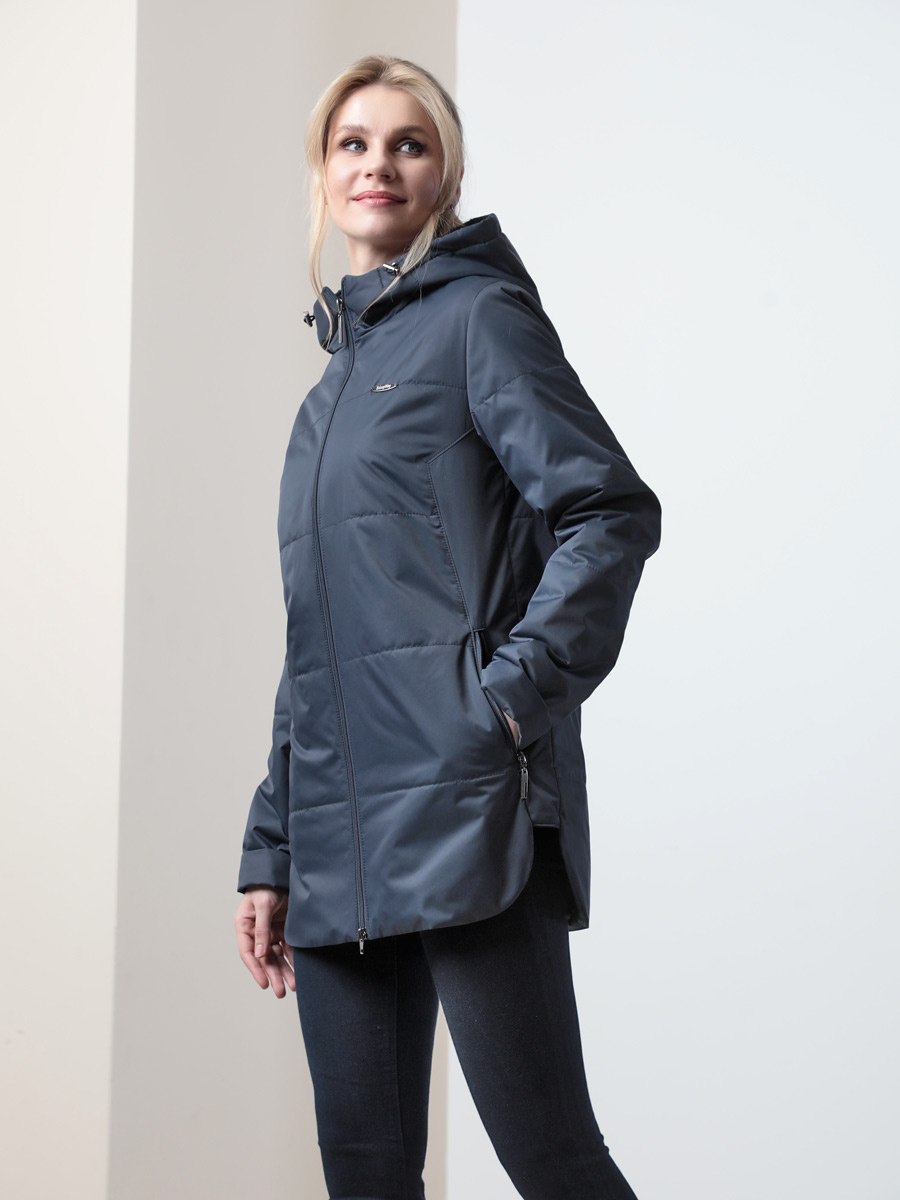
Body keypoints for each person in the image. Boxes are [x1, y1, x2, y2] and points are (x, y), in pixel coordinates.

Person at [234, 54, 661, 1200]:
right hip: (335, 839)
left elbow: (610, 512)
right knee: (366, 1175)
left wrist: (502, 708)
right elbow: (315, 642)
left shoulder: (480, 321)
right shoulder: (324, 402)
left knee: (552, 1160)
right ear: (323, 174)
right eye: (353, 143)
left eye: (408, 143)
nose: (378, 164)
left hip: (468, 809)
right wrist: (272, 847)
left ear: (447, 175)